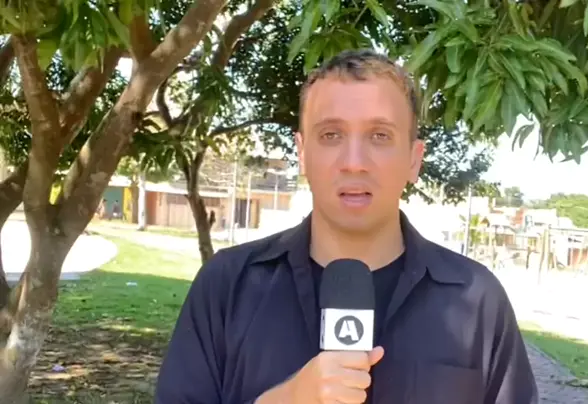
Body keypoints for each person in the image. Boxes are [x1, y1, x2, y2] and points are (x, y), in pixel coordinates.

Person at [155, 49, 538, 404]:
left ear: (413, 159)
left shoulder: (477, 299)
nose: (354, 162)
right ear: (302, 153)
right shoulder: (226, 285)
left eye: (380, 136)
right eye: (331, 135)